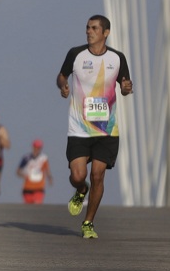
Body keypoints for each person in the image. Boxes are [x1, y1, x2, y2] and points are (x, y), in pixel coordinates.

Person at [58, 14, 133, 239]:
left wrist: (127, 87)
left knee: (98, 175)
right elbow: (61, 77)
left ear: (105, 33)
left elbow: (126, 86)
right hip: (79, 128)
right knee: (79, 175)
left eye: (94, 28)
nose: (89, 31)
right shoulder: (76, 54)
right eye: (87, 27)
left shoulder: (118, 58)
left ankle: (88, 222)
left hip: (106, 129)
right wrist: (63, 86)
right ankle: (81, 190)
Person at [16, 140, 50, 204]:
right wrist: (24, 175)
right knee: (28, 209)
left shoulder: (44, 158)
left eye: (38, 148)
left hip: (39, 187)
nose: (37, 149)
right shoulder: (26, 158)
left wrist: (50, 178)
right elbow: (18, 171)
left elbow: (47, 171)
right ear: (33, 147)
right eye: (35, 147)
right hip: (27, 187)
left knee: (37, 207)